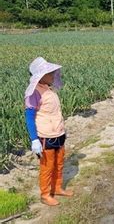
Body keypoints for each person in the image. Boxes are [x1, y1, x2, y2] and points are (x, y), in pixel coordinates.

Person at [25, 57, 73, 206]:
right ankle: (45, 195)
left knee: (59, 163)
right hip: (45, 137)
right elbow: (29, 118)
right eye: (50, 73)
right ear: (41, 75)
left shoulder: (48, 89)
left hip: (58, 134)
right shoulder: (34, 93)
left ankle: (57, 188)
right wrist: (34, 139)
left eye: (52, 73)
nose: (53, 75)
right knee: (47, 167)